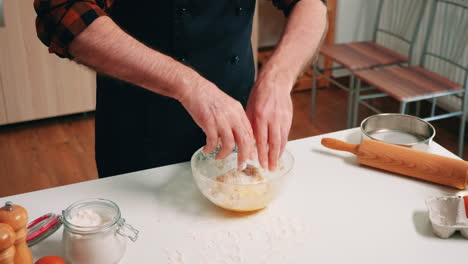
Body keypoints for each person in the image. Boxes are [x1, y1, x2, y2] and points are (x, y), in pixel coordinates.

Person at [34, 0, 328, 178]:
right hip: (141, 126)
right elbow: (63, 11)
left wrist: (277, 78)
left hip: (237, 114)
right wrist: (189, 85)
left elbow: (311, 3)